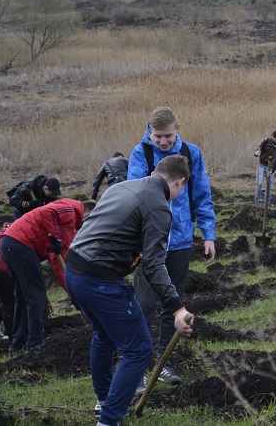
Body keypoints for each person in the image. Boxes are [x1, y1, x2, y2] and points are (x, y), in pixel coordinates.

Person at [65, 155, 195, 426]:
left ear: (154, 172)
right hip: (100, 280)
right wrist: (177, 308)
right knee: (139, 350)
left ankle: (103, 402)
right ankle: (109, 420)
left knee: (104, 335)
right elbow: (154, 266)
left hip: (74, 270)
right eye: (181, 188)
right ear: (180, 182)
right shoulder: (159, 207)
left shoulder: (120, 187)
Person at [127, 106, 215, 385]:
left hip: (180, 239)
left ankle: (165, 362)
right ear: (149, 132)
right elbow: (135, 193)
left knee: (172, 301)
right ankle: (136, 365)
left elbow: (201, 193)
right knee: (143, 303)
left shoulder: (192, 154)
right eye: (157, 137)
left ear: (178, 128)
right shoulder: (142, 153)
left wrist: (208, 233)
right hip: (148, 242)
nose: (163, 142)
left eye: (167, 136)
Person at [0, 198, 95, 351]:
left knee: (23, 296)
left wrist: (71, 292)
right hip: (20, 244)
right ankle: (34, 343)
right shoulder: (70, 209)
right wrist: (55, 237)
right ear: (88, 213)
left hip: (10, 245)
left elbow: (57, 261)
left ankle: (17, 343)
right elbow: (46, 211)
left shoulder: (70, 227)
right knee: (36, 294)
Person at [254, 130, 276, 204]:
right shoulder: (265, 141)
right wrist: (256, 153)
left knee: (269, 186)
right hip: (261, 165)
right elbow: (257, 151)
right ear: (272, 137)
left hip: (271, 167)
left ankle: (267, 203)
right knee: (259, 184)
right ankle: (257, 202)